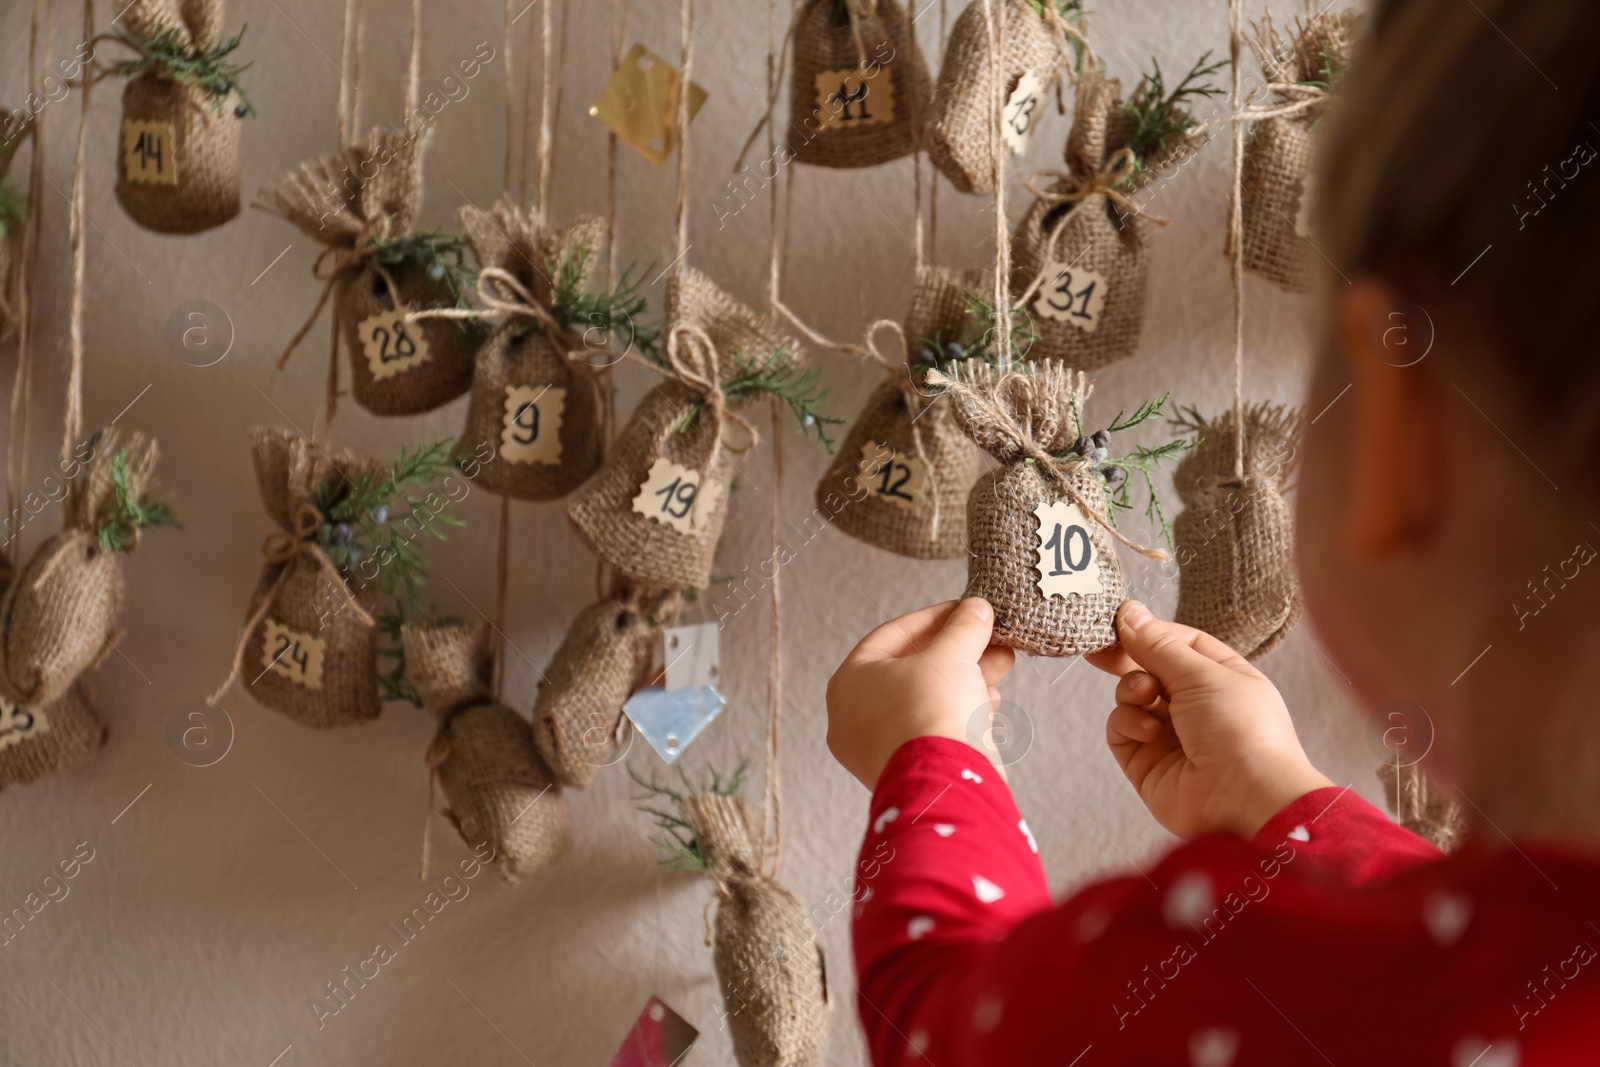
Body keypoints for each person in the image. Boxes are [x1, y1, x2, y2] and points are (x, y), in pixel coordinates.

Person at [824, 0, 1600, 1062]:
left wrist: (929, 767)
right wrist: (1272, 794)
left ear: (1394, 435)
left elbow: (948, 1016)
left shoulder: (1223, 979)